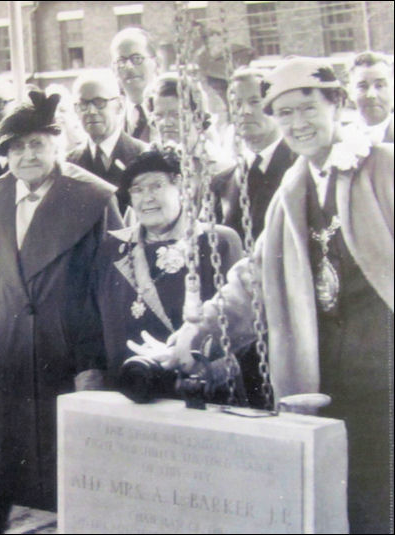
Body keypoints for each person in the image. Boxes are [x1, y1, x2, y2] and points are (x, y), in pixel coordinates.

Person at [133, 57, 393, 534]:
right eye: (285, 113)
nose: (297, 123)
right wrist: (195, 334)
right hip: (327, 377)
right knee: (345, 500)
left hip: (387, 377)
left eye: (307, 108)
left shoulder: (383, 168)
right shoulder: (293, 189)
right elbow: (253, 277)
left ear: (337, 104)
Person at [0, 91, 122, 522]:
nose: (27, 155)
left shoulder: (92, 198)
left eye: (36, 143)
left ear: (56, 144)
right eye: (16, 148)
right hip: (12, 358)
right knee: (15, 472)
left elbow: (109, 286)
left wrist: (93, 362)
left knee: (70, 471)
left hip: (70, 355)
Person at [89, 149, 242, 394]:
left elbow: (235, 327)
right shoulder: (111, 249)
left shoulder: (217, 241)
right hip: (127, 388)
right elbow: (93, 323)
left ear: (181, 187)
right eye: (137, 190)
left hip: (195, 388)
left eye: (156, 186)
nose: (146, 198)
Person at [145, 72, 236, 223]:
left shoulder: (220, 166)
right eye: (159, 116)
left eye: (176, 115)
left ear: (198, 116)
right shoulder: (148, 162)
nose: (166, 123)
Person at [225, 68, 296, 242]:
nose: (245, 111)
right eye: (237, 104)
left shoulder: (298, 168)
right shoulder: (222, 182)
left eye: (255, 102)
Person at [67, 71, 147, 216]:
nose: (91, 111)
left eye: (99, 102)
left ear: (120, 105)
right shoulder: (69, 164)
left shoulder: (143, 155)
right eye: (83, 104)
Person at [110, 27, 160, 143]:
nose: (129, 67)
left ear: (156, 63)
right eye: (121, 61)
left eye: (137, 58)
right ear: (114, 69)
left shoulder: (177, 115)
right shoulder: (112, 125)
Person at [348, 51, 393, 144]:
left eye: (379, 85)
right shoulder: (343, 139)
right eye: (362, 86)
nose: (371, 95)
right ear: (350, 91)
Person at [45, 83, 88, 155]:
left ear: (73, 113)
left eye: (62, 110)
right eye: (51, 110)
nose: (56, 115)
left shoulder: (83, 142)